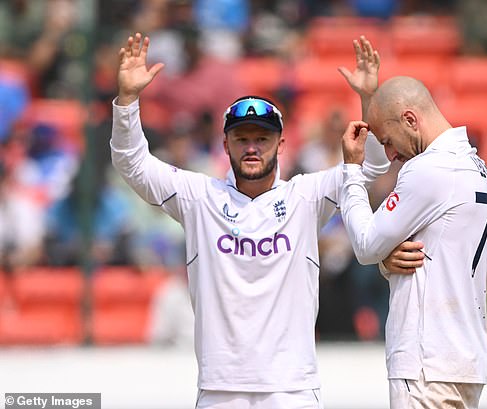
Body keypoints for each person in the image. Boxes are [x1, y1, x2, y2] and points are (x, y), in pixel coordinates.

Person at [111, 33, 391, 408]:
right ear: (225, 145)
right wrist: (128, 100)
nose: (252, 147)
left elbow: (371, 167)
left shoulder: (305, 196)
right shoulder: (200, 197)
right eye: (241, 138)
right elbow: (132, 163)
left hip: (292, 389)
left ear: (282, 144)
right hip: (220, 390)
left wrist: (370, 100)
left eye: (262, 138)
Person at [340, 75, 487, 408]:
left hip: (427, 360)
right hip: (463, 359)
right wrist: (388, 262)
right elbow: (433, 252)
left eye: (387, 140)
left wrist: (352, 171)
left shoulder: (428, 169)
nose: (390, 153)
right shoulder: (476, 167)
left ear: (410, 120)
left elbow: (366, 244)